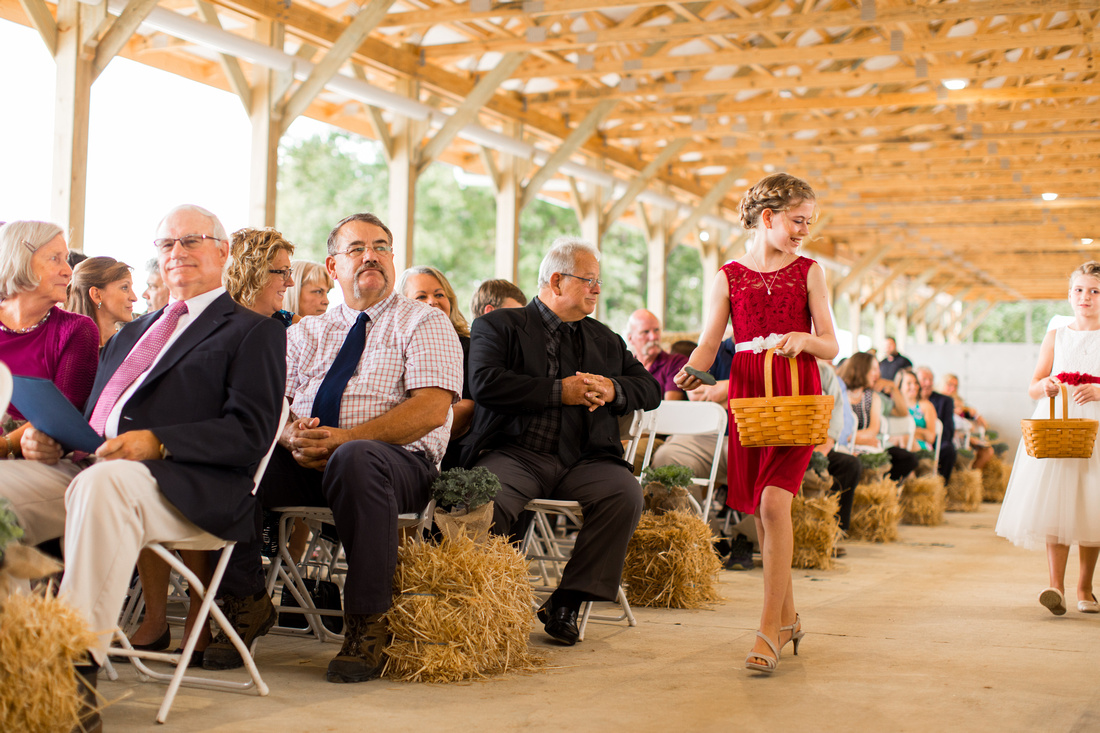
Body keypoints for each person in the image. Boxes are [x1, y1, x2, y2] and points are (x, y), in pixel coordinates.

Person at [0, 205, 286, 723]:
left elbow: (250, 433)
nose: (177, 252)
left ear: (223, 251)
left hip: (187, 484)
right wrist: (53, 441)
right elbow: (95, 419)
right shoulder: (134, 332)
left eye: (192, 240)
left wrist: (156, 442)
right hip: (90, 467)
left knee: (105, 485)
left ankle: (68, 673)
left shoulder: (251, 331)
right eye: (166, 244)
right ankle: (14, 654)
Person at [208, 212, 463, 683]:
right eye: (357, 249)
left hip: (398, 464)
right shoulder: (305, 332)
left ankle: (367, 624)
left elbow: (429, 410)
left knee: (355, 457)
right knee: (234, 459)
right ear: (332, 267)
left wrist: (344, 438)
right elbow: (266, 403)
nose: (371, 256)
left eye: (381, 247)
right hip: (308, 459)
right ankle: (245, 600)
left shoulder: (424, 323)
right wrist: (289, 436)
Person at [675, 173, 838, 674]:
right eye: (796, 221)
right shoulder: (728, 275)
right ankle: (787, 619)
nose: (802, 231)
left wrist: (803, 339)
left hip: (796, 391)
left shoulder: (810, 271)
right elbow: (708, 340)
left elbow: (831, 343)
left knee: (772, 503)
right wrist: (693, 371)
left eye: (808, 223)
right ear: (767, 218)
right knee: (765, 515)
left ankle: (767, 627)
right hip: (749, 395)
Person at [465, 236, 661, 646]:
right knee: (483, 499)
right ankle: (485, 602)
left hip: (586, 460)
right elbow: (485, 384)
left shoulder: (605, 339)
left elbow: (650, 388)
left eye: (598, 281)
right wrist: (560, 391)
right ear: (556, 281)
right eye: (589, 280)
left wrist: (612, 389)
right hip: (516, 453)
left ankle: (568, 601)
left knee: (625, 494)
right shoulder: (499, 326)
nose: (597, 289)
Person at [127, 226, 297, 661]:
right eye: (281, 271)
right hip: (185, 445)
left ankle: (225, 610)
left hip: (232, 455)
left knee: (196, 475)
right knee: (144, 471)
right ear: (255, 271)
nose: (289, 282)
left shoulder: (268, 330)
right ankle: (161, 617)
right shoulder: (192, 322)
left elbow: (254, 417)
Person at [996, 261, 1100, 617]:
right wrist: (1047, 386)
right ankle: (1055, 585)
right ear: (1069, 294)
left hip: (1096, 426)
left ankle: (1085, 586)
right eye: (1079, 290)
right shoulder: (1057, 334)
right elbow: (1034, 384)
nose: (1085, 297)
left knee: (1091, 500)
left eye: (1094, 291)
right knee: (1057, 500)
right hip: (1058, 423)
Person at [0, 221, 99, 472]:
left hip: (35, 459)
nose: (68, 271)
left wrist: (6, 445)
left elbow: (62, 413)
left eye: (66, 260)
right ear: (19, 259)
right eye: (55, 258)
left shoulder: (78, 330)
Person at [397, 265, 474, 469]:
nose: (432, 301)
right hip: (395, 451)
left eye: (439, 294)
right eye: (421, 297)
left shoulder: (469, 346)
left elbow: (468, 406)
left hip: (449, 453)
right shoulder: (394, 347)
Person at [837, 352, 918, 482]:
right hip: (844, 445)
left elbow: (874, 430)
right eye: (874, 369)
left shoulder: (873, 396)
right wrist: (857, 439)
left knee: (908, 459)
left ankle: (883, 486)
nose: (878, 374)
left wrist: (893, 387)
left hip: (867, 446)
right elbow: (838, 431)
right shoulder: (839, 392)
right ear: (861, 368)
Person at [817, 361, 862, 542]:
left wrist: (825, 447)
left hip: (818, 445)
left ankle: (835, 531)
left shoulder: (824, 371)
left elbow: (837, 412)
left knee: (850, 465)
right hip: (783, 446)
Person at [66, 256, 138, 348]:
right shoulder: (67, 351)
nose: (134, 298)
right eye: (124, 287)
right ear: (97, 295)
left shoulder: (134, 345)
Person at [626, 308, 688, 400]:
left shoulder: (676, 362)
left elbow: (671, 408)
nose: (653, 337)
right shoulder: (624, 367)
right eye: (645, 332)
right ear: (631, 339)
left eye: (656, 330)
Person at [915, 365, 956, 481]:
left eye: (931, 380)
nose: (928, 383)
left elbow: (948, 430)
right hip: (915, 440)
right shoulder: (909, 400)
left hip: (937, 440)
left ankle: (941, 485)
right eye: (924, 380)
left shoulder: (945, 401)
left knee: (948, 449)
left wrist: (930, 440)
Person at [896, 368, 937, 451]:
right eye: (909, 383)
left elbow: (931, 437)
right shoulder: (895, 407)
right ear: (900, 387)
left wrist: (906, 431)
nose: (914, 387)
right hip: (898, 447)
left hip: (921, 450)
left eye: (916, 383)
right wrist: (920, 432)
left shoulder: (926, 406)